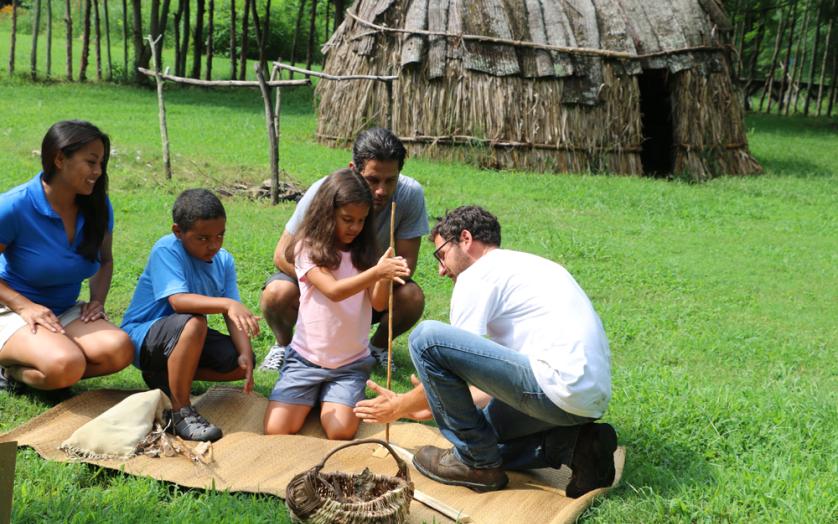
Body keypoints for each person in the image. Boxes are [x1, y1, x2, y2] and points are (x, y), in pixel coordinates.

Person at [354, 206, 617, 496]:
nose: (441, 270)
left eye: (441, 254)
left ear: (465, 239)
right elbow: (494, 385)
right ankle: (577, 447)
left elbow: (448, 359)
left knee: (426, 339)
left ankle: (476, 464)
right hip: (585, 401)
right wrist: (437, 401)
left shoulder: (478, 274)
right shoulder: (527, 268)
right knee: (481, 434)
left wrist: (401, 405)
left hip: (555, 387)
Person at [259, 128, 428, 372]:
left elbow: (406, 263)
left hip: (369, 283)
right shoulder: (325, 191)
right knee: (276, 293)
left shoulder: (410, 195)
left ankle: (376, 348)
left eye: (390, 180)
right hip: (321, 276)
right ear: (353, 169)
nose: (381, 190)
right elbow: (281, 254)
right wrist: (321, 284)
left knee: (411, 297)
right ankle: (285, 346)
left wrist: (363, 288)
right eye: (373, 180)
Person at [263, 169, 410, 440]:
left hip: (349, 365)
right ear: (326, 213)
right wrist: (376, 272)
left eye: (361, 221)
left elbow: (377, 302)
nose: (354, 227)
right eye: (347, 219)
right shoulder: (307, 248)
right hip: (305, 361)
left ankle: (326, 397)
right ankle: (315, 396)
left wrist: (385, 275)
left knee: (341, 431)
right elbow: (333, 290)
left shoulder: (365, 253)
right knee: (277, 429)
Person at [0, 120, 133, 394]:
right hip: (11, 310)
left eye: (101, 163)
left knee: (119, 350)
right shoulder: (14, 206)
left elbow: (105, 260)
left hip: (62, 310)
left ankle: (32, 371)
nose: (98, 171)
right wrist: (25, 307)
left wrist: (97, 300)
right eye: (91, 162)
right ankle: (10, 367)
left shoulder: (97, 206)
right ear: (60, 159)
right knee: (66, 363)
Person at [121, 189, 258, 442]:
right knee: (195, 322)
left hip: (185, 337)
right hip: (143, 337)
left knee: (238, 365)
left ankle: (163, 377)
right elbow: (178, 301)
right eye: (203, 238)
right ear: (178, 232)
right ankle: (179, 411)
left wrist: (245, 353)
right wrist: (227, 303)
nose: (214, 245)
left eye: (220, 235)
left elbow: (233, 315)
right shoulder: (167, 249)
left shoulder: (224, 261)